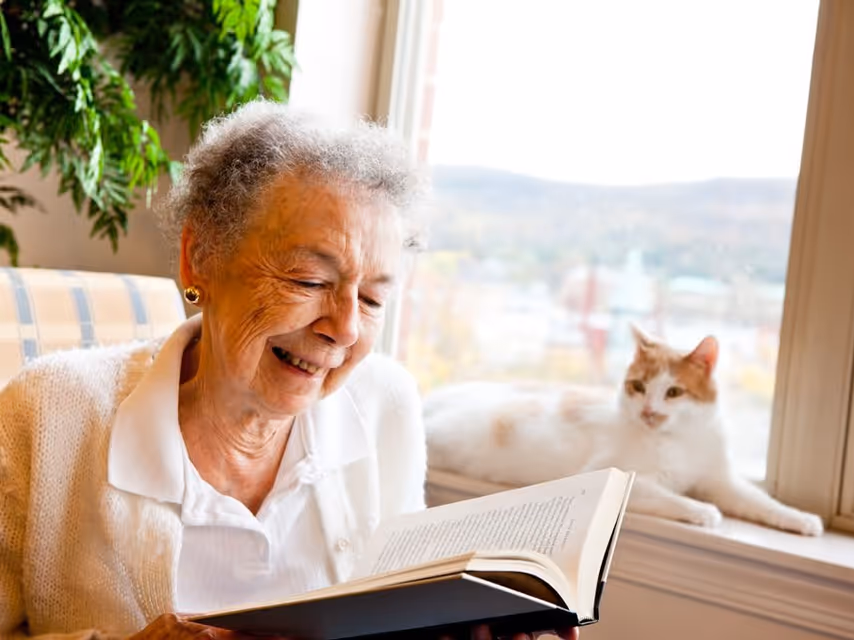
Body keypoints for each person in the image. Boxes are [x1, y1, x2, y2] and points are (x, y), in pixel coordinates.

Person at [0, 100, 575, 640]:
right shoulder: (48, 414)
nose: (344, 329)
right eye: (309, 280)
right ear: (199, 256)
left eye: (372, 299)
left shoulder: (385, 405)